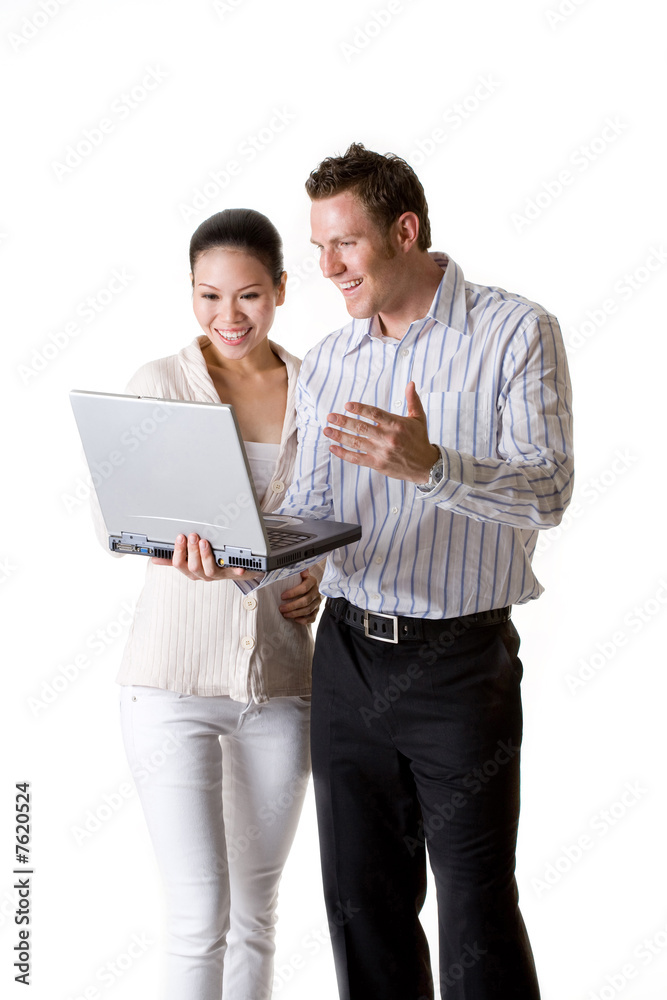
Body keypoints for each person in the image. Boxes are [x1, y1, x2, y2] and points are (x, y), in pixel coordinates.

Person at [178, 145, 574, 1000]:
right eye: (318, 248)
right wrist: (234, 558)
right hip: (348, 657)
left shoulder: (514, 331)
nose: (326, 268)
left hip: (460, 665)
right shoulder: (331, 359)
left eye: (345, 244)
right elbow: (311, 509)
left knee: (475, 911)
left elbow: (548, 492)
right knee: (361, 909)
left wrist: (433, 466)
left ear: (404, 231)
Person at [95, 208, 323, 1000]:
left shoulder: (316, 388)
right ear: (190, 292)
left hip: (281, 686)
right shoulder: (159, 384)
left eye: (249, 295)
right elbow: (112, 521)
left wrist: (318, 578)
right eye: (209, 295)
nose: (229, 316)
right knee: (199, 918)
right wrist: (175, 550)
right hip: (169, 686)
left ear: (281, 290)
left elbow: (337, 516)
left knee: (257, 917)